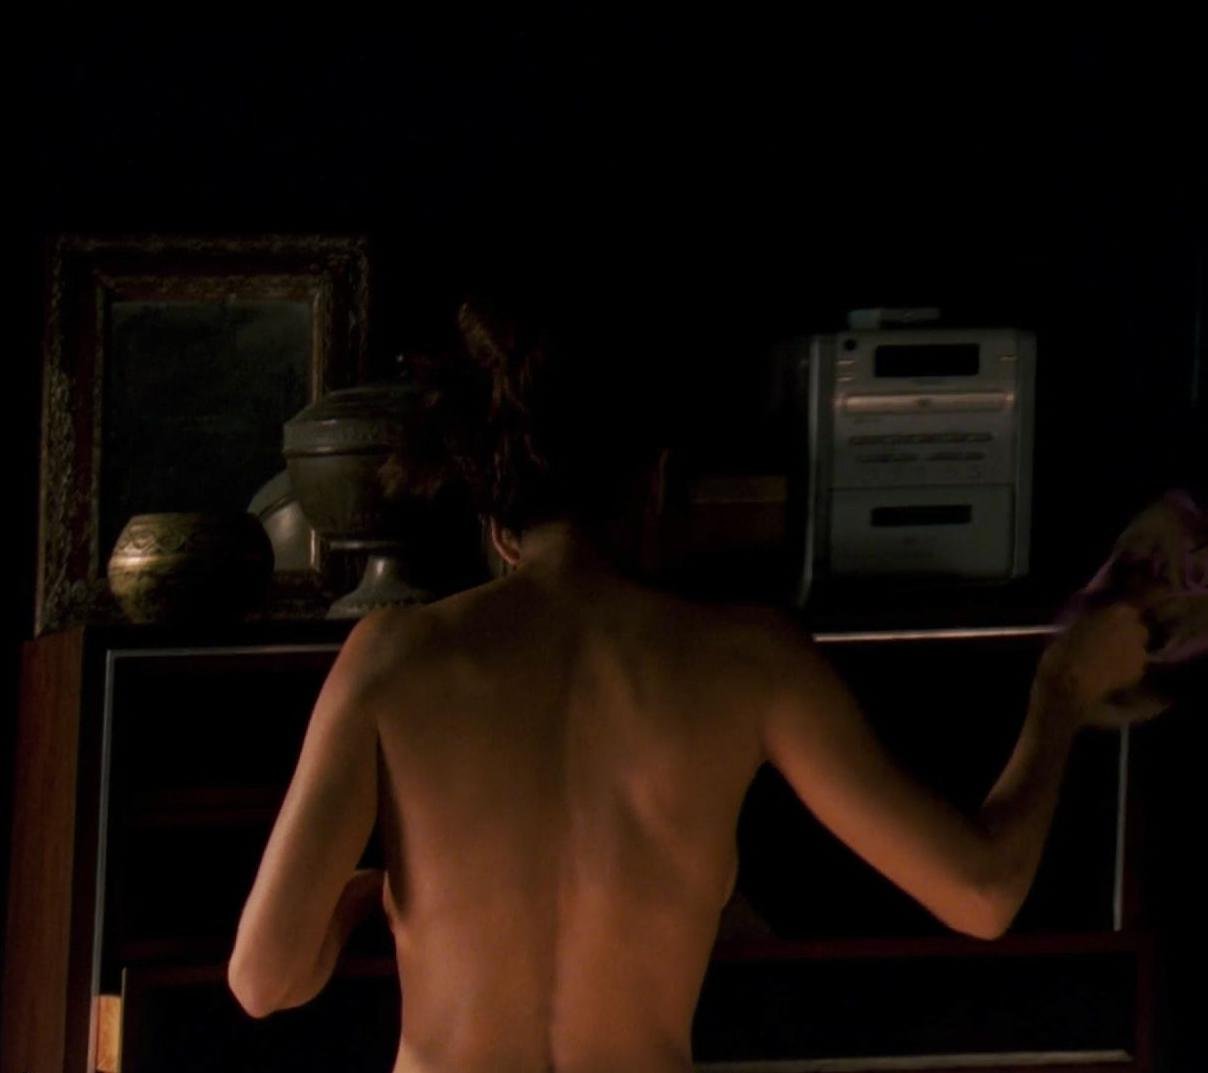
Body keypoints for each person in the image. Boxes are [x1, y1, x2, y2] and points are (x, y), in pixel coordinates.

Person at [227, 295, 1151, 1073]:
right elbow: (983, 893)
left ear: (498, 519)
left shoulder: (391, 658)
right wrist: (1062, 691)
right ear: (658, 484)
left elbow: (262, 980)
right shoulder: (750, 661)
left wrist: (367, 896)